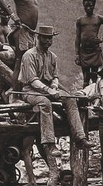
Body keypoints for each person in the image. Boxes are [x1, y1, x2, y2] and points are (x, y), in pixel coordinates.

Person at [18, 25, 93, 158]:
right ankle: (50, 144)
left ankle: (80, 138)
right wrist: (48, 90)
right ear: (38, 37)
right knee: (45, 103)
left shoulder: (53, 57)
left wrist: (53, 86)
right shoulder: (29, 55)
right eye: (45, 38)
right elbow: (32, 80)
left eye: (50, 39)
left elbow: (55, 77)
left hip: (48, 90)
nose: (48, 41)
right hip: (30, 91)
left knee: (70, 99)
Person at [0, 0, 39, 88]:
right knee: (19, 63)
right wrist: (12, 15)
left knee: (30, 63)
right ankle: (15, 95)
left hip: (31, 33)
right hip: (22, 31)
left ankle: (27, 90)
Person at [75, 0, 103, 87]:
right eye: (86, 6)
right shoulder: (80, 20)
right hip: (83, 51)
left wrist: (102, 39)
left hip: (94, 51)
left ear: (94, 6)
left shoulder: (99, 18)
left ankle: (94, 98)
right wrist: (77, 54)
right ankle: (85, 100)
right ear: (83, 6)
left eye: (90, 6)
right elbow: (77, 37)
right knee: (85, 79)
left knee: (94, 77)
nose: (88, 8)